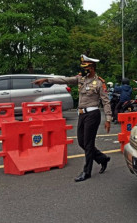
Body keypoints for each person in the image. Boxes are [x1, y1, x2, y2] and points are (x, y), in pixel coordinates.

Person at [33, 54, 112, 182]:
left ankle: (87, 172)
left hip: (92, 115)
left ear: (91, 68)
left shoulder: (99, 83)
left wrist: (108, 119)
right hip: (82, 114)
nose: (83, 69)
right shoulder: (81, 79)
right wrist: (46, 80)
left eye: (85, 67)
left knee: (88, 143)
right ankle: (102, 159)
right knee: (82, 142)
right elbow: (64, 80)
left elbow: (106, 102)